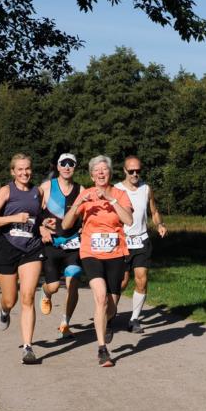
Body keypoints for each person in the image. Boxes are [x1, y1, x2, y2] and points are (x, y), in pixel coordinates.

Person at [61, 155, 132, 367]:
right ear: (92, 175)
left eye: (105, 170)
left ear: (110, 174)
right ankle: (102, 349)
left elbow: (128, 220)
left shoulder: (120, 194)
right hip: (90, 252)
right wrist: (77, 206)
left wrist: (111, 200)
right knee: (100, 298)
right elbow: (66, 225)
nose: (101, 173)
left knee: (110, 305)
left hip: (116, 253)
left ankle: (108, 319)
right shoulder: (85, 195)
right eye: (97, 170)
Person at [0, 153, 50, 365]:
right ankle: (4, 310)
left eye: (27, 169)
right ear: (13, 172)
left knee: (28, 297)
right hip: (6, 247)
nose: (24, 173)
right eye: (19, 169)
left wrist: (44, 225)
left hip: (31, 249)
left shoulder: (36, 192)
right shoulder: (6, 191)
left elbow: (36, 219)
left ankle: (28, 348)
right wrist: (14, 217)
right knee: (10, 299)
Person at [37, 149, 84, 336]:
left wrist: (84, 227)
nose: (66, 167)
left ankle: (65, 323)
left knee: (73, 282)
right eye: (63, 163)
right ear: (57, 166)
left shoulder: (81, 190)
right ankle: (46, 292)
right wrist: (41, 227)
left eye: (70, 164)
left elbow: (87, 214)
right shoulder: (47, 187)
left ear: (75, 167)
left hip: (73, 244)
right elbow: (33, 211)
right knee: (55, 286)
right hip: (51, 244)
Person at [118, 155, 167, 332]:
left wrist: (160, 224)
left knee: (142, 280)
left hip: (142, 240)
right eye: (131, 171)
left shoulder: (146, 188)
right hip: (122, 242)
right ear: (124, 171)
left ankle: (134, 319)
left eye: (138, 171)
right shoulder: (116, 189)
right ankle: (108, 315)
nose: (135, 174)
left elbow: (154, 211)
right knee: (121, 283)